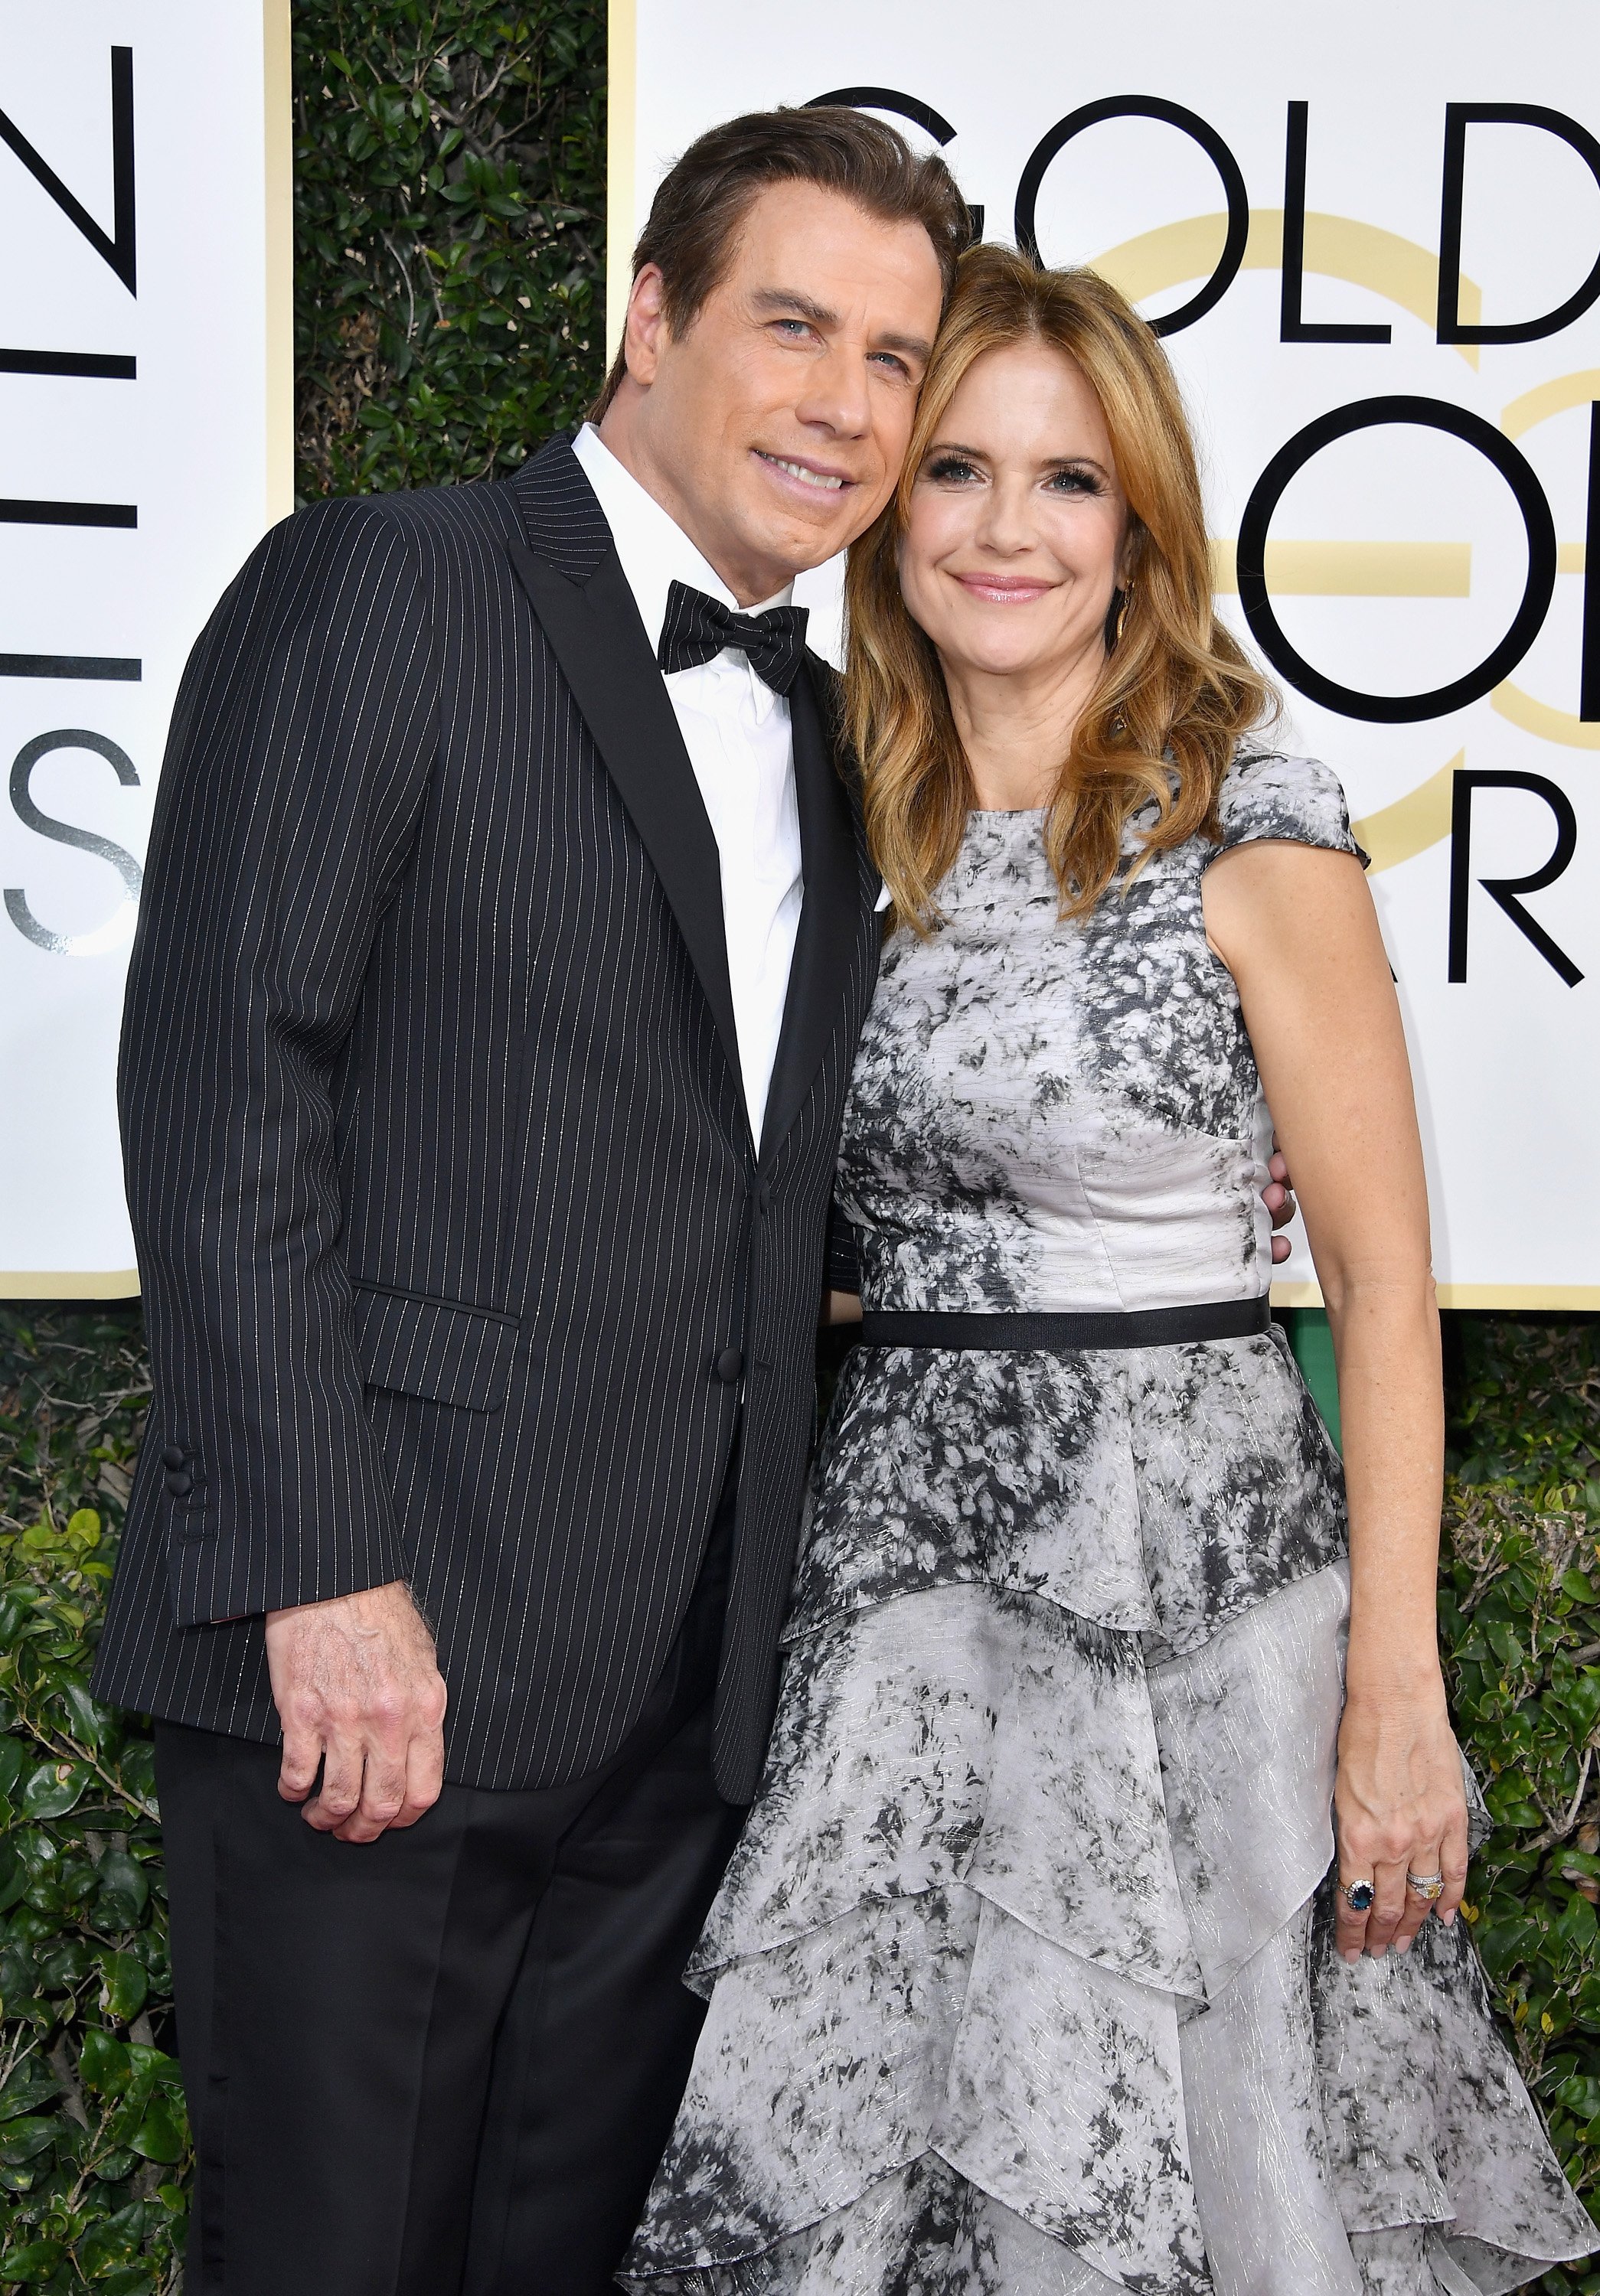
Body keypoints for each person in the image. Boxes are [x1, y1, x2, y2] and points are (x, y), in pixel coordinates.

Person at [621, 246, 1597, 2294]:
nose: (1003, 529)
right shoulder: (832, 820)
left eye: (1066, 483)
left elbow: (1383, 1284)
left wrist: (1396, 1700)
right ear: (891, 513)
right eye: (956, 470)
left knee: (1194, 2163)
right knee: (873, 2164)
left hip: (1194, 1598)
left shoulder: (1248, 823)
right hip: (896, 1591)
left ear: (1136, 529)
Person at [89, 107, 965, 2296]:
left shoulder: (850, 723)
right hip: (378, 1670)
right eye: (792, 325)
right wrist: (321, 1574)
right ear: (649, 319)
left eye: (892, 358)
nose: (846, 405)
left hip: (683, 1711)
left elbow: (766, 1170)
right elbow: (224, 1090)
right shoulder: (382, 583)